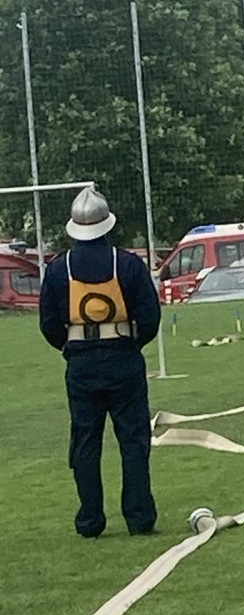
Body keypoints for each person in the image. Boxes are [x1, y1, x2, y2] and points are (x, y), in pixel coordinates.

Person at [38, 187, 161, 538]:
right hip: (123, 357)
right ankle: (139, 517)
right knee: (133, 441)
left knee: (85, 442)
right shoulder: (128, 264)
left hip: (81, 363)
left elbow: (48, 323)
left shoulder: (58, 268)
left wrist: (72, 347)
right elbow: (150, 317)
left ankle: (90, 520)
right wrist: (131, 343)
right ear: (107, 224)